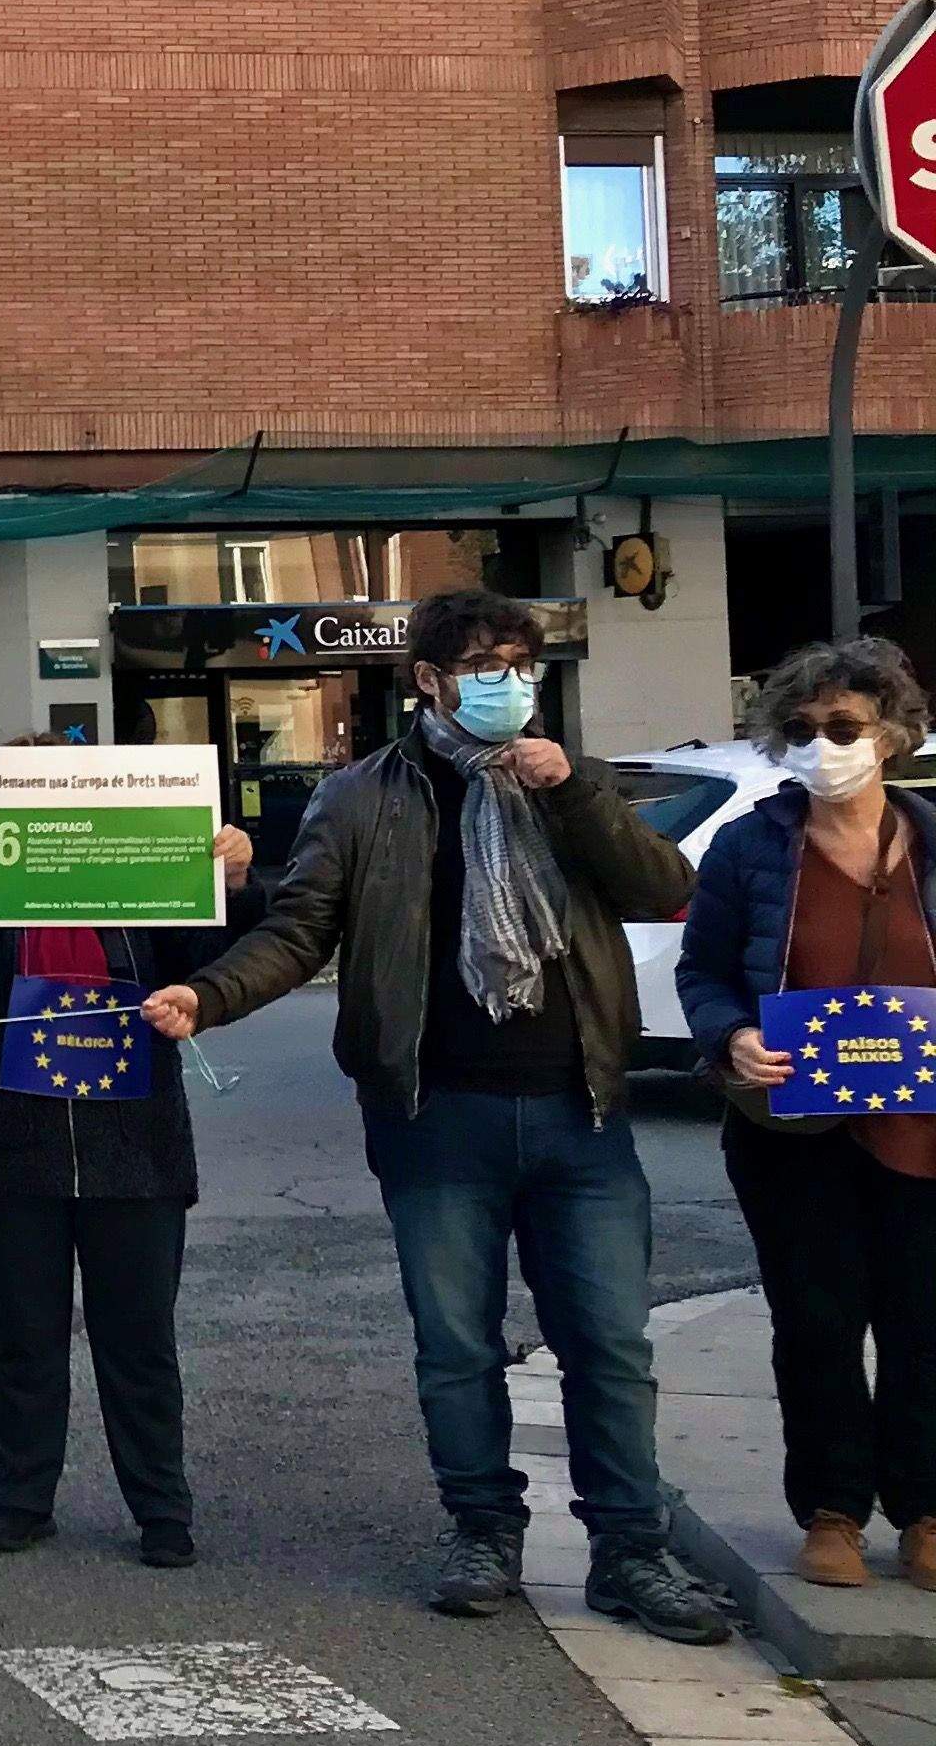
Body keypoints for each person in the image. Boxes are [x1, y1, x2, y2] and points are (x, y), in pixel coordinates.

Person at [147, 586, 728, 1640]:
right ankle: (482, 1528)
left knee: (608, 1343)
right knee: (455, 1344)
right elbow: (300, 929)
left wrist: (573, 796)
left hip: (580, 1110)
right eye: (483, 667)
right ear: (427, 680)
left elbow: (660, 887)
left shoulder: (577, 782)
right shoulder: (363, 797)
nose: (508, 685)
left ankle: (630, 1553)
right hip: (436, 1113)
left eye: (522, 666)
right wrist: (210, 994)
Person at [0, 789, 257, 1564]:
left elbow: (218, 964)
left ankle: (163, 1508)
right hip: (4, 1150)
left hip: (134, 1148)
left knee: (140, 1340)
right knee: (24, 1336)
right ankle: (24, 1499)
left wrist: (232, 881)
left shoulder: (142, 889)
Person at [677, 637, 936, 1590]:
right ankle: (832, 1509)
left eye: (843, 727)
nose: (822, 745)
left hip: (924, 1127)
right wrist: (732, 1038)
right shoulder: (752, 846)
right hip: (794, 1130)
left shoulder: (934, 840)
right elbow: (704, 973)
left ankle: (926, 1510)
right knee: (817, 1322)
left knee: (924, 1325)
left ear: (893, 735)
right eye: (800, 730)